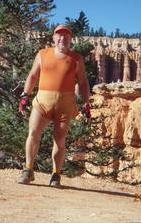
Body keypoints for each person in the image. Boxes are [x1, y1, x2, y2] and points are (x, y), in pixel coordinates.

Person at [17, 24, 90, 187]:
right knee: (33, 132)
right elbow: (33, 75)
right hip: (42, 102)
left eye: (66, 36)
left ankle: (55, 175)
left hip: (65, 105)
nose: (62, 39)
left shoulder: (76, 58)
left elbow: (83, 82)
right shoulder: (43, 54)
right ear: (54, 38)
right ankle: (28, 170)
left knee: (59, 140)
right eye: (59, 35)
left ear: (71, 39)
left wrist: (86, 103)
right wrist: (25, 95)